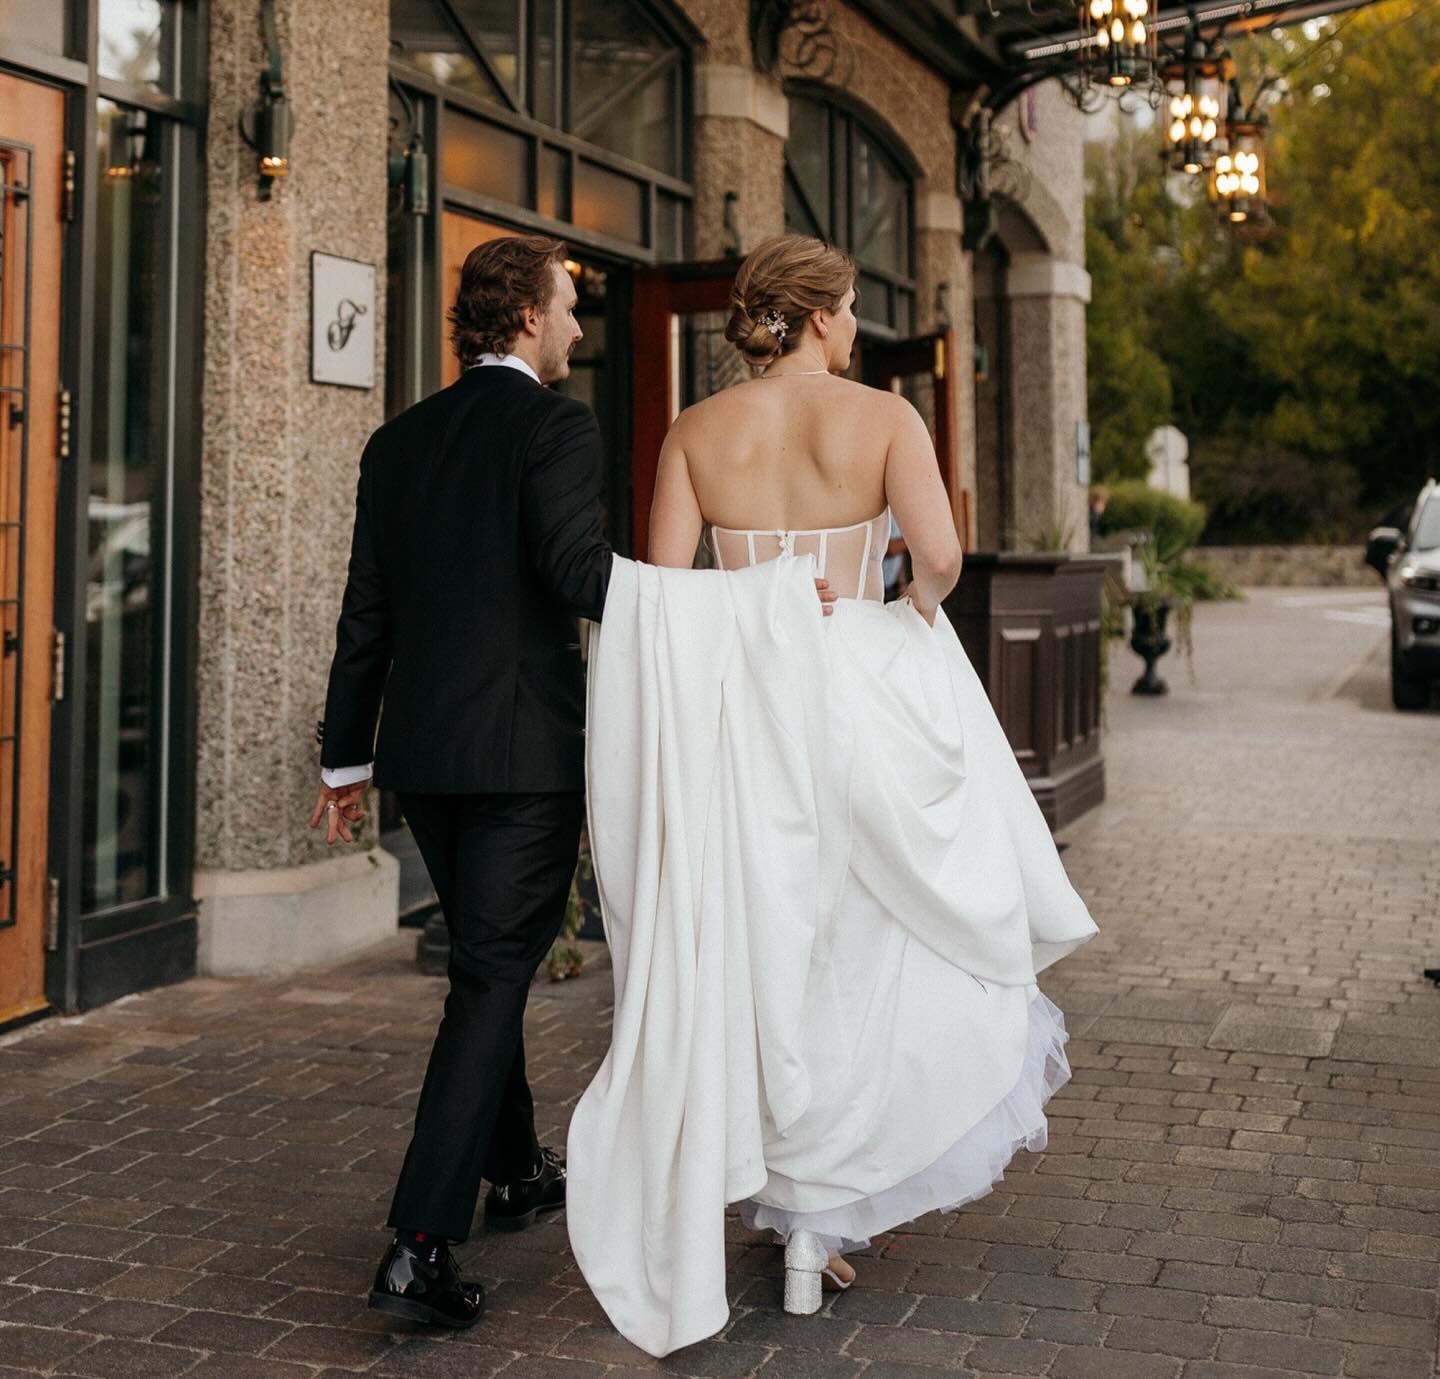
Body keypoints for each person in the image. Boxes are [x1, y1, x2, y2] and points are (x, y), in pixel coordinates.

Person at [566, 233, 1100, 1357]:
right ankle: (822, 1219)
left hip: (748, 704)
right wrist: (896, 611)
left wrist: (757, 600)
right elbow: (943, 557)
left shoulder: (697, 432)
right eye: (850, 308)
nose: (856, 328)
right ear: (817, 317)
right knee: (874, 942)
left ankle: (791, 1197)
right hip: (864, 680)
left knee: (772, 944)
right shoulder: (885, 419)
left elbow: (670, 598)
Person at [311, 235, 612, 1331]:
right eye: (570, 308)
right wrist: (729, 609)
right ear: (527, 318)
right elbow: (578, 576)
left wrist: (345, 760)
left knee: (491, 961)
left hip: (425, 765)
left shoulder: (398, 441)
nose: (579, 327)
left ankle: (519, 1167)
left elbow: (365, 616)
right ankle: (419, 1244)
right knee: (491, 973)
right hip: (525, 762)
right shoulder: (555, 426)